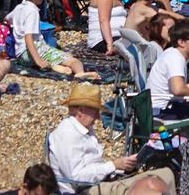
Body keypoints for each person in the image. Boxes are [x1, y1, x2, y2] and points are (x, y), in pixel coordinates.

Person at [48, 82, 177, 194]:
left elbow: (91, 166)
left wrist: (120, 165)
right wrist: (113, 165)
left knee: (166, 174)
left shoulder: (83, 129)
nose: (98, 117)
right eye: (95, 111)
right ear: (80, 111)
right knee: (149, 187)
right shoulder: (68, 135)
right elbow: (77, 177)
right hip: (86, 190)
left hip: (100, 183)